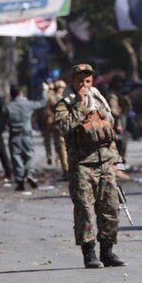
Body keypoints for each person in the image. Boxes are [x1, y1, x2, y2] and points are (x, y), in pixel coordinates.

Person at [54, 64, 126, 269]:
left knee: (110, 207)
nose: (84, 85)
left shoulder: (99, 100)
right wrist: (80, 104)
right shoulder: (65, 104)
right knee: (84, 210)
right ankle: (89, 254)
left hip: (105, 162)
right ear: (72, 82)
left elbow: (109, 130)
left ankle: (107, 252)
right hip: (82, 164)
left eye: (88, 81)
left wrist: (115, 161)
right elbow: (65, 126)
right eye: (80, 81)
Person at [4, 85, 47, 191]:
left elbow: (2, 122)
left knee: (16, 157)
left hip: (14, 136)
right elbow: (42, 103)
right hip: (26, 135)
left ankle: (20, 180)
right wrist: (44, 91)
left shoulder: (7, 107)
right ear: (20, 93)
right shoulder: (28, 104)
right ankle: (29, 173)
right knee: (29, 155)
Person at [106, 75, 131, 164]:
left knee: (122, 146)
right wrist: (118, 125)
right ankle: (117, 167)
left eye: (121, 82)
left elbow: (127, 108)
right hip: (116, 125)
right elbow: (114, 112)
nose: (120, 84)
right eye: (118, 82)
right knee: (118, 147)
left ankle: (120, 166)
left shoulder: (120, 94)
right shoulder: (112, 96)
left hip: (122, 123)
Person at [50, 80, 69, 179]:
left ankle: (66, 171)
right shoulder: (68, 97)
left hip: (59, 127)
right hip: (67, 126)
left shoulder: (55, 98)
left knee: (62, 150)